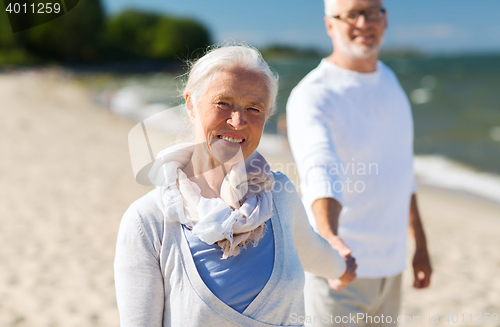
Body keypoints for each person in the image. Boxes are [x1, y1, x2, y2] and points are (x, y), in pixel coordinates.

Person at [114, 45, 356, 327]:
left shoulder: (278, 195)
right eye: (223, 103)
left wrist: (343, 267)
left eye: (254, 108)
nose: (237, 121)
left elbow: (311, 250)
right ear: (191, 104)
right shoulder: (148, 221)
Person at [286, 0, 432, 326]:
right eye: (352, 13)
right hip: (338, 269)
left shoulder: (391, 83)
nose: (364, 22)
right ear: (329, 24)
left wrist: (419, 245)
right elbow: (319, 167)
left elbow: (402, 170)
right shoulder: (313, 93)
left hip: (391, 267)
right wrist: (329, 239)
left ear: (386, 19)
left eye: (373, 12)